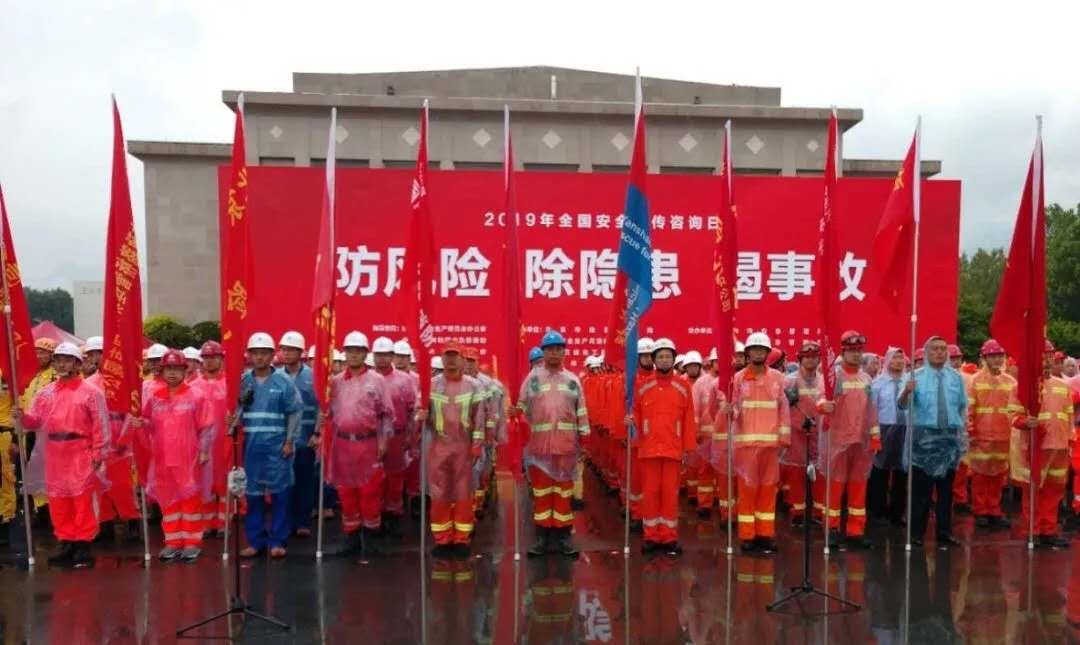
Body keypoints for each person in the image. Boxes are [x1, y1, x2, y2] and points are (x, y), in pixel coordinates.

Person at [14, 342, 108, 568]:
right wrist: (22, 416)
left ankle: (83, 545)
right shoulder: (45, 394)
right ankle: (66, 541)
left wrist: (98, 452)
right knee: (58, 500)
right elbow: (35, 420)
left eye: (67, 359)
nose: (62, 363)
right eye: (58, 359)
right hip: (55, 453)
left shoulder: (91, 393)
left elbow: (101, 424)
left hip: (81, 450)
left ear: (77, 364)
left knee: (82, 500)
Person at [130, 350, 214, 562]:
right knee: (168, 502)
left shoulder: (197, 396)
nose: (172, 374)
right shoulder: (156, 398)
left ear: (185, 371)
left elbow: (207, 427)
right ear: (162, 370)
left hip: (189, 458)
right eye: (168, 369)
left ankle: (192, 542)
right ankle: (173, 542)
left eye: (177, 369)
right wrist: (142, 423)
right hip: (162, 459)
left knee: (190, 501)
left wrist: (204, 451)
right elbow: (149, 422)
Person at [520, 330, 589, 558]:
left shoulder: (572, 380)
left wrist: (585, 440)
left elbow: (581, 411)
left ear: (564, 352)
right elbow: (522, 408)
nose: (554, 353)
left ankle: (562, 537)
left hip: (566, 447)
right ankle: (542, 538)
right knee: (542, 493)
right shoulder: (532, 379)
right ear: (543, 351)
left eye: (559, 349)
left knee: (562, 493)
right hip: (539, 448)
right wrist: (514, 413)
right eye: (550, 349)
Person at [325, 331, 394, 557]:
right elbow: (328, 414)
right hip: (343, 444)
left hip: (368, 443)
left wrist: (384, 440)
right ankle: (351, 536)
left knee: (370, 492)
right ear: (344, 353)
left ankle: (372, 537)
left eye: (358, 351)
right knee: (346, 493)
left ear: (366, 354)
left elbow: (386, 414)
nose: (353, 355)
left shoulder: (377, 380)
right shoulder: (334, 382)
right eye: (349, 351)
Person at [235, 332, 302, 559]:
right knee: (253, 495)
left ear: (273, 355)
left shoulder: (283, 382)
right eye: (255, 353)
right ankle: (256, 541)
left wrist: (290, 441)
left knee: (280, 493)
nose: (260, 358)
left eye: (264, 353)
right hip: (251, 448)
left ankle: (277, 541)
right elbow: (237, 412)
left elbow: (294, 412)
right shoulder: (244, 381)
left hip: (277, 447)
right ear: (249, 355)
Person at [418, 342, 486, 556]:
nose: (451, 360)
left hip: (463, 447)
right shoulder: (430, 385)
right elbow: (421, 415)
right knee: (440, 493)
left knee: (463, 494)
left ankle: (461, 539)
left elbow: (480, 417)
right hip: (439, 445)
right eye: (447, 355)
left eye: (455, 355)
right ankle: (442, 539)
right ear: (442, 358)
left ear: (462, 359)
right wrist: (420, 415)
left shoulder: (473, 386)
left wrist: (476, 445)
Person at [899, 336, 968, 548]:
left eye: (943, 349)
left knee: (946, 491)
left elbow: (961, 406)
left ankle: (944, 533)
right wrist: (906, 391)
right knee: (922, 491)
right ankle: (916, 533)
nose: (940, 353)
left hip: (948, 438)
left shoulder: (956, 378)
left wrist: (960, 436)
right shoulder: (915, 377)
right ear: (926, 353)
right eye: (935, 349)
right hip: (924, 438)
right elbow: (902, 405)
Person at [630, 338, 697, 555]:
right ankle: (651, 536)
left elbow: (689, 418)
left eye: (668, 356)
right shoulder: (643, 386)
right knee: (650, 493)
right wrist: (631, 430)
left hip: (673, 449)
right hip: (649, 450)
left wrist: (688, 448)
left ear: (674, 358)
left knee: (670, 494)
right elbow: (636, 416)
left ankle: (668, 538)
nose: (664, 359)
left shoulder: (683, 385)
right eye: (660, 356)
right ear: (654, 359)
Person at [817, 330, 879, 550]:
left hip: (860, 442)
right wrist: (823, 406)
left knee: (858, 486)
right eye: (851, 351)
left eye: (858, 351)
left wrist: (875, 436)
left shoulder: (866, 378)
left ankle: (856, 531)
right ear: (842, 352)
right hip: (837, 440)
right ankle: (831, 529)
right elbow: (820, 399)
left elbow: (872, 410)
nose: (855, 355)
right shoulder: (833, 376)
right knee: (835, 487)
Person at [731, 333, 791, 554]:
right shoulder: (737, 378)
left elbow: (783, 408)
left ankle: (765, 533)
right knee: (747, 491)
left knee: (768, 490)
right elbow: (735, 406)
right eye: (753, 349)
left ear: (767, 353)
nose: (757, 353)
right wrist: (730, 412)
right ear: (747, 353)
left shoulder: (777, 378)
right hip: (746, 445)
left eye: (761, 349)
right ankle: (747, 535)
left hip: (770, 445)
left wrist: (784, 437)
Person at [1015, 340, 1077, 548]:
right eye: (1042, 355)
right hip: (1036, 446)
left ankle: (1048, 530)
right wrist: (1024, 422)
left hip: (1059, 446)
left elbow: (1068, 416)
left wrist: (1070, 440)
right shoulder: (1024, 386)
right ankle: (1033, 531)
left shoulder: (1062, 386)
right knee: (1033, 491)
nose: (1046, 360)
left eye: (1049, 355)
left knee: (1054, 490)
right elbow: (1012, 414)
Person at [84, 339, 142, 544]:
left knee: (124, 487)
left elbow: (131, 413)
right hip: (99, 444)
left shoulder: (123, 381)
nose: (95, 358)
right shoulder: (89, 383)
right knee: (99, 487)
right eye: (91, 354)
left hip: (120, 445)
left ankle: (133, 522)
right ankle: (105, 524)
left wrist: (124, 439)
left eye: (98, 353)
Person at [966, 339, 1020, 529]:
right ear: (984, 358)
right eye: (993, 356)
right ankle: (981, 510)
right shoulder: (975, 380)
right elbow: (968, 409)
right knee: (981, 475)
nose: (997, 359)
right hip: (981, 436)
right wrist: (971, 432)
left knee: (998, 475)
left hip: (1004, 436)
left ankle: (994, 510)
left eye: (1000, 355)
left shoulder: (1011, 382)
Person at [372, 336, 417, 539]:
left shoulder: (405, 380)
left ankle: (394, 514)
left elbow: (411, 411)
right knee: (374, 478)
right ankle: (376, 516)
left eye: (385, 355)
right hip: (371, 438)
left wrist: (410, 435)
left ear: (391, 356)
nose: (381, 359)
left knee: (395, 478)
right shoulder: (367, 378)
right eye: (378, 355)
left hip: (397, 437)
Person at [277, 331, 319, 539]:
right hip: (283, 440)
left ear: (300, 352)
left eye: (291, 349)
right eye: (284, 349)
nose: (286, 353)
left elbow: (322, 407)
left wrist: (317, 434)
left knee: (304, 481)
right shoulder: (277, 376)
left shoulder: (313, 376)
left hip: (306, 439)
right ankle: (286, 522)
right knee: (284, 484)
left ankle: (302, 521)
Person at [781, 341, 823, 527]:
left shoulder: (824, 381)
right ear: (800, 358)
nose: (811, 360)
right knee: (796, 473)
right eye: (807, 356)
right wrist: (799, 423)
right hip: (797, 432)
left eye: (814, 356)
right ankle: (797, 512)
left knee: (819, 472)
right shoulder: (790, 381)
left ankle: (817, 512)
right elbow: (783, 408)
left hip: (820, 432)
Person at [868, 347, 909, 527]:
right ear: (887, 361)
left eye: (901, 358)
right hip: (884, 428)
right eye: (895, 358)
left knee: (902, 472)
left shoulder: (909, 381)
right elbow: (872, 409)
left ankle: (897, 512)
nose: (898, 362)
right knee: (880, 471)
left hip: (905, 428)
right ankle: (877, 509)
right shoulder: (878, 383)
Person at [193, 340, 229, 535]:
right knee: (204, 482)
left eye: (213, 357)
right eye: (205, 358)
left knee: (223, 483)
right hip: (203, 443)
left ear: (221, 359)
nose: (209, 361)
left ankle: (223, 523)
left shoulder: (230, 384)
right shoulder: (194, 386)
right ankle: (206, 523)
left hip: (225, 441)